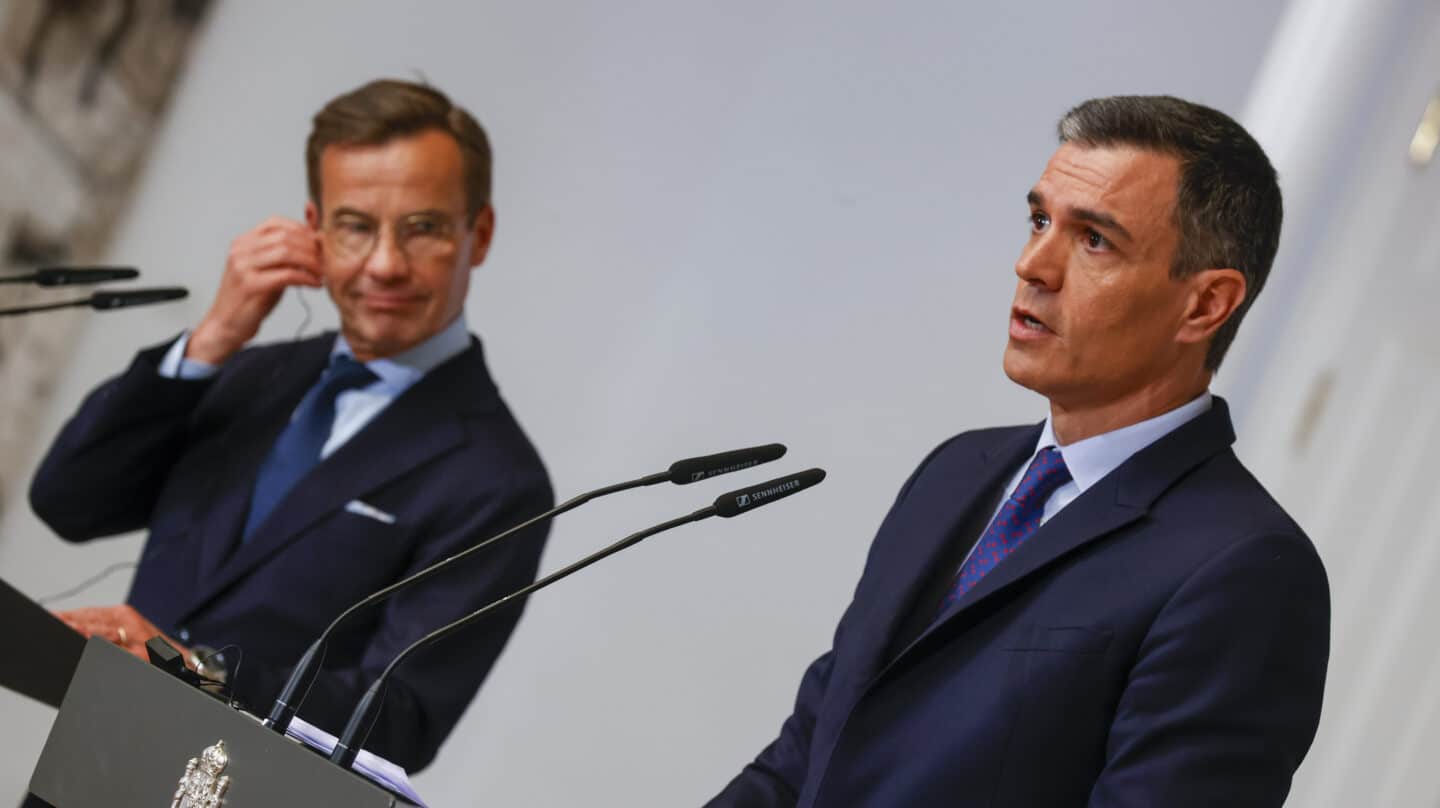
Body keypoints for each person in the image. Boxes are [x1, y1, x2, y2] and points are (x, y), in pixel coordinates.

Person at [706, 96, 1330, 807]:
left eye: (1094, 240)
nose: (1032, 264)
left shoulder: (1243, 571)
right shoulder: (957, 471)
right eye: (1040, 221)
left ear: (1206, 305)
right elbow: (806, 756)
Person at [28, 79, 553, 772]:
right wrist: (213, 338)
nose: (385, 264)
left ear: (476, 234)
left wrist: (200, 670)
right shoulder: (249, 372)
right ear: (316, 230)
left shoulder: (499, 479)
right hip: (93, 765)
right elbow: (68, 501)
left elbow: (401, 720)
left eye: (422, 227)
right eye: (357, 226)